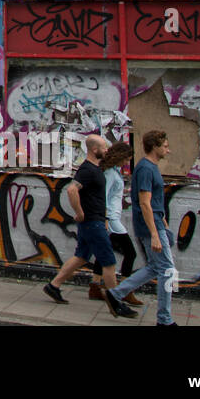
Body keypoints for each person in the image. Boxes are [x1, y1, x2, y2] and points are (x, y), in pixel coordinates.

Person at [43, 134, 138, 318]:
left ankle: (53, 286)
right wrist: (79, 213)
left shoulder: (95, 169)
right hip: (93, 222)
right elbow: (72, 190)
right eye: (104, 147)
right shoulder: (87, 170)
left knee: (81, 257)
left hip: (93, 222)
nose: (107, 150)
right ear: (95, 150)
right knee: (109, 262)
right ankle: (115, 302)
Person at [108, 129, 177, 326]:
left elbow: (152, 202)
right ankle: (164, 320)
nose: (168, 150)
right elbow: (145, 203)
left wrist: (161, 219)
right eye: (164, 146)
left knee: (157, 267)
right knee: (167, 270)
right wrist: (155, 233)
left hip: (155, 223)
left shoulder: (149, 167)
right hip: (150, 226)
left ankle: (115, 293)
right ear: (154, 147)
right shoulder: (146, 168)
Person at [88, 141, 142, 306]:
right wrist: (104, 219)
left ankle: (95, 286)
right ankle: (125, 290)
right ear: (119, 156)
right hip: (111, 220)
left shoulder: (114, 172)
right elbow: (102, 197)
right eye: (126, 159)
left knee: (104, 251)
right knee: (131, 253)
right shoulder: (110, 173)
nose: (127, 163)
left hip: (112, 218)